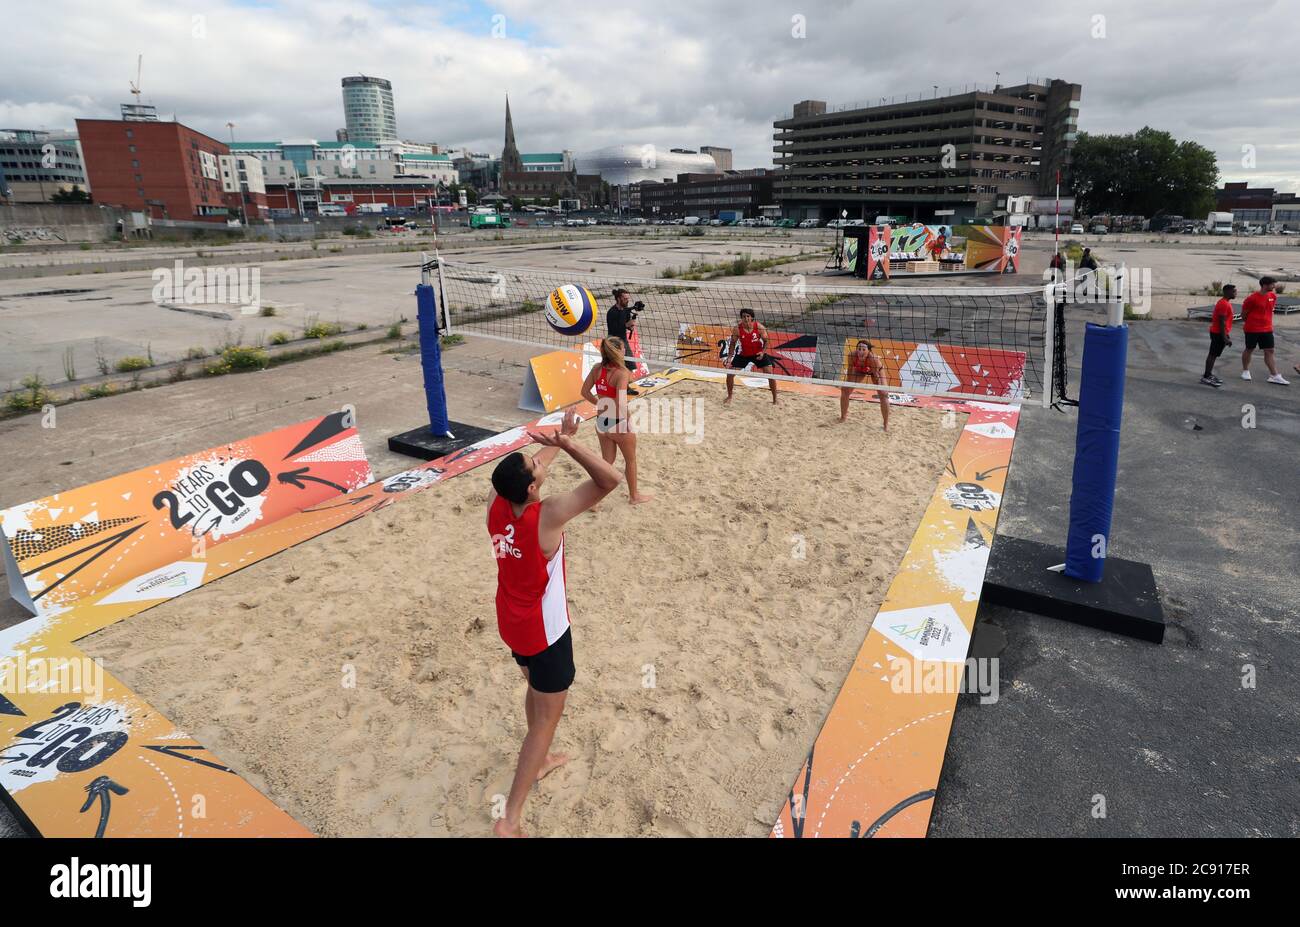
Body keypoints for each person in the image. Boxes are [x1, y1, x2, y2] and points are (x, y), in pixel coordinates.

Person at [486, 407, 623, 837]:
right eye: (534, 464)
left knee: (535, 690)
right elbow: (608, 481)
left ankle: (541, 760)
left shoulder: (495, 505)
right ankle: (509, 819)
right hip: (545, 633)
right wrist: (569, 443)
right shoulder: (546, 517)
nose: (539, 460)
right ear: (531, 488)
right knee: (546, 721)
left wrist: (557, 441)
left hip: (510, 622)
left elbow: (531, 474)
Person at [580, 337, 654, 505]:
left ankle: (593, 502)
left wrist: (600, 404)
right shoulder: (622, 373)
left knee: (606, 463)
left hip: (602, 421)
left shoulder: (596, 369)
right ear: (618, 352)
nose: (624, 351)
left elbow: (584, 392)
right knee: (631, 460)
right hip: (617, 421)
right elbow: (621, 402)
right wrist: (627, 422)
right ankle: (634, 496)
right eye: (622, 349)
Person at [724, 308, 779, 404]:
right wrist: (729, 358)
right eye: (744, 316)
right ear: (741, 318)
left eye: (748, 316)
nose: (746, 318)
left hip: (758, 354)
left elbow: (766, 341)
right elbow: (732, 344)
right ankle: (729, 396)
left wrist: (763, 352)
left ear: (752, 317)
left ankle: (775, 399)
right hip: (743, 355)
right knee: (730, 374)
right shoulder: (737, 329)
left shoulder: (759, 327)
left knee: (770, 374)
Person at [1240, 276, 1289, 384]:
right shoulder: (1252, 298)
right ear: (1265, 285)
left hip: (1267, 329)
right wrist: (1252, 322)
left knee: (1270, 350)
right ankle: (1245, 371)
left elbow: (1270, 310)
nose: (1274, 286)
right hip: (1252, 329)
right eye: (1272, 284)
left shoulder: (1272, 296)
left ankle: (1274, 375)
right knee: (1249, 349)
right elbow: (1243, 315)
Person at [838, 339, 890, 429]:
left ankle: (885, 424)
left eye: (863, 349)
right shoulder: (852, 356)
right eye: (859, 349)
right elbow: (849, 374)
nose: (860, 351)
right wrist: (848, 386)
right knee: (845, 390)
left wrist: (880, 389)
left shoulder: (873, 359)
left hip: (875, 372)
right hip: (860, 371)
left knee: (883, 394)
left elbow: (876, 377)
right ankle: (843, 416)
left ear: (868, 351)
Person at [605, 287, 640, 395]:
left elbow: (626, 326)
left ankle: (625, 387)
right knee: (617, 366)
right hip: (613, 340)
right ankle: (619, 387)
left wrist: (631, 327)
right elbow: (614, 329)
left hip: (623, 339)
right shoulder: (611, 312)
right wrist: (626, 325)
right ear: (619, 299)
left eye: (628, 298)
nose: (627, 300)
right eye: (625, 299)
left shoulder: (626, 311)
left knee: (630, 364)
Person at [1200, 284, 1236, 387]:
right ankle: (1206, 377)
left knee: (1214, 355)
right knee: (1212, 354)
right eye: (1233, 291)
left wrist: (1226, 335)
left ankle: (1208, 374)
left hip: (1219, 332)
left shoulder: (1225, 303)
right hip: (1218, 333)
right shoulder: (1223, 304)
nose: (1235, 293)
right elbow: (1221, 322)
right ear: (1227, 292)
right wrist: (1225, 337)